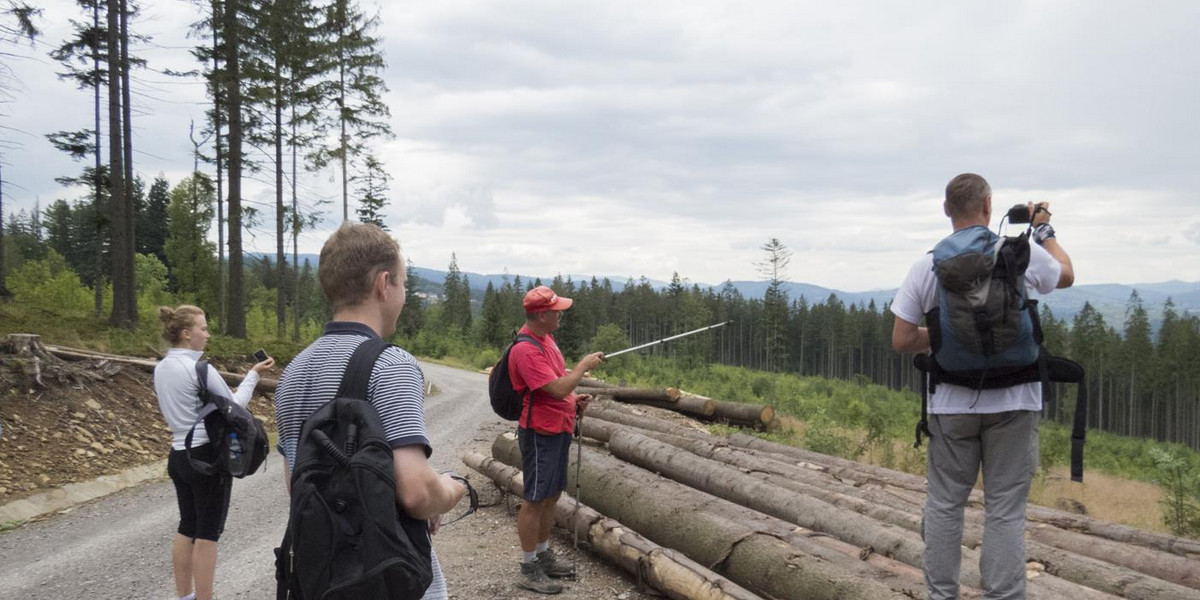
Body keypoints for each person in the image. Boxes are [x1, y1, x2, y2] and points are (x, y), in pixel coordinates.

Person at [891, 173, 1074, 600]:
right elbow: (1066, 275)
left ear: (946, 210)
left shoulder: (929, 263)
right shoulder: (1020, 252)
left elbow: (901, 340)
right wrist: (1043, 229)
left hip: (951, 401)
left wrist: (940, 336)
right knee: (1005, 510)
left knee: (945, 504)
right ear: (989, 206)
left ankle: (941, 595)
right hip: (1016, 399)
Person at [274, 222, 466, 600]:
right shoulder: (390, 364)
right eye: (404, 283)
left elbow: (296, 482)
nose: (405, 296)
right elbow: (414, 492)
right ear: (383, 284)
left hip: (321, 576)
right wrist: (452, 487)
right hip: (383, 576)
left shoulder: (293, 371)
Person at [154, 305, 274, 600]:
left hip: (178, 455)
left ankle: (185, 596)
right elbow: (234, 405)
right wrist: (254, 375)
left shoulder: (161, 367)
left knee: (187, 526)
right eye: (203, 328)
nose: (207, 334)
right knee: (208, 533)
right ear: (186, 334)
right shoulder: (200, 369)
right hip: (206, 457)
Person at [508, 285, 606, 594]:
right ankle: (528, 567)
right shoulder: (524, 350)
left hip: (558, 427)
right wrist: (582, 369)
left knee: (550, 496)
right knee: (535, 499)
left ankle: (543, 556)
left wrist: (575, 399)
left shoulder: (547, 340)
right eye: (555, 311)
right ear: (540, 315)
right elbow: (555, 390)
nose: (561, 315)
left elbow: (559, 384)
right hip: (540, 432)